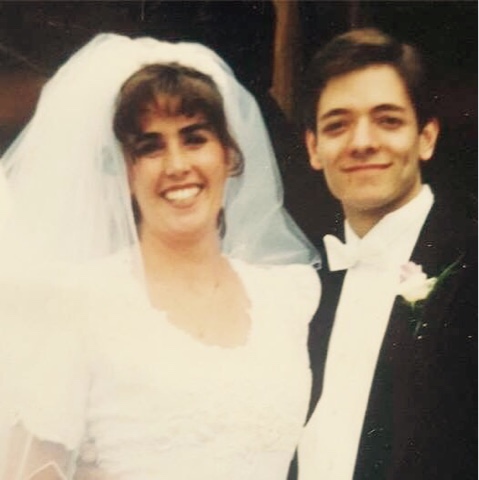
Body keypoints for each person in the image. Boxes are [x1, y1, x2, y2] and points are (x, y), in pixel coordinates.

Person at [0, 34, 321, 479]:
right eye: (150, 147)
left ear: (229, 154)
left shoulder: (288, 298)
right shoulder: (77, 305)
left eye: (195, 139)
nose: (176, 165)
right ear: (126, 171)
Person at [292, 28, 477, 480]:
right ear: (314, 148)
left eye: (387, 120)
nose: (361, 142)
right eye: (337, 125)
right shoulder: (298, 283)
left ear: (426, 137)